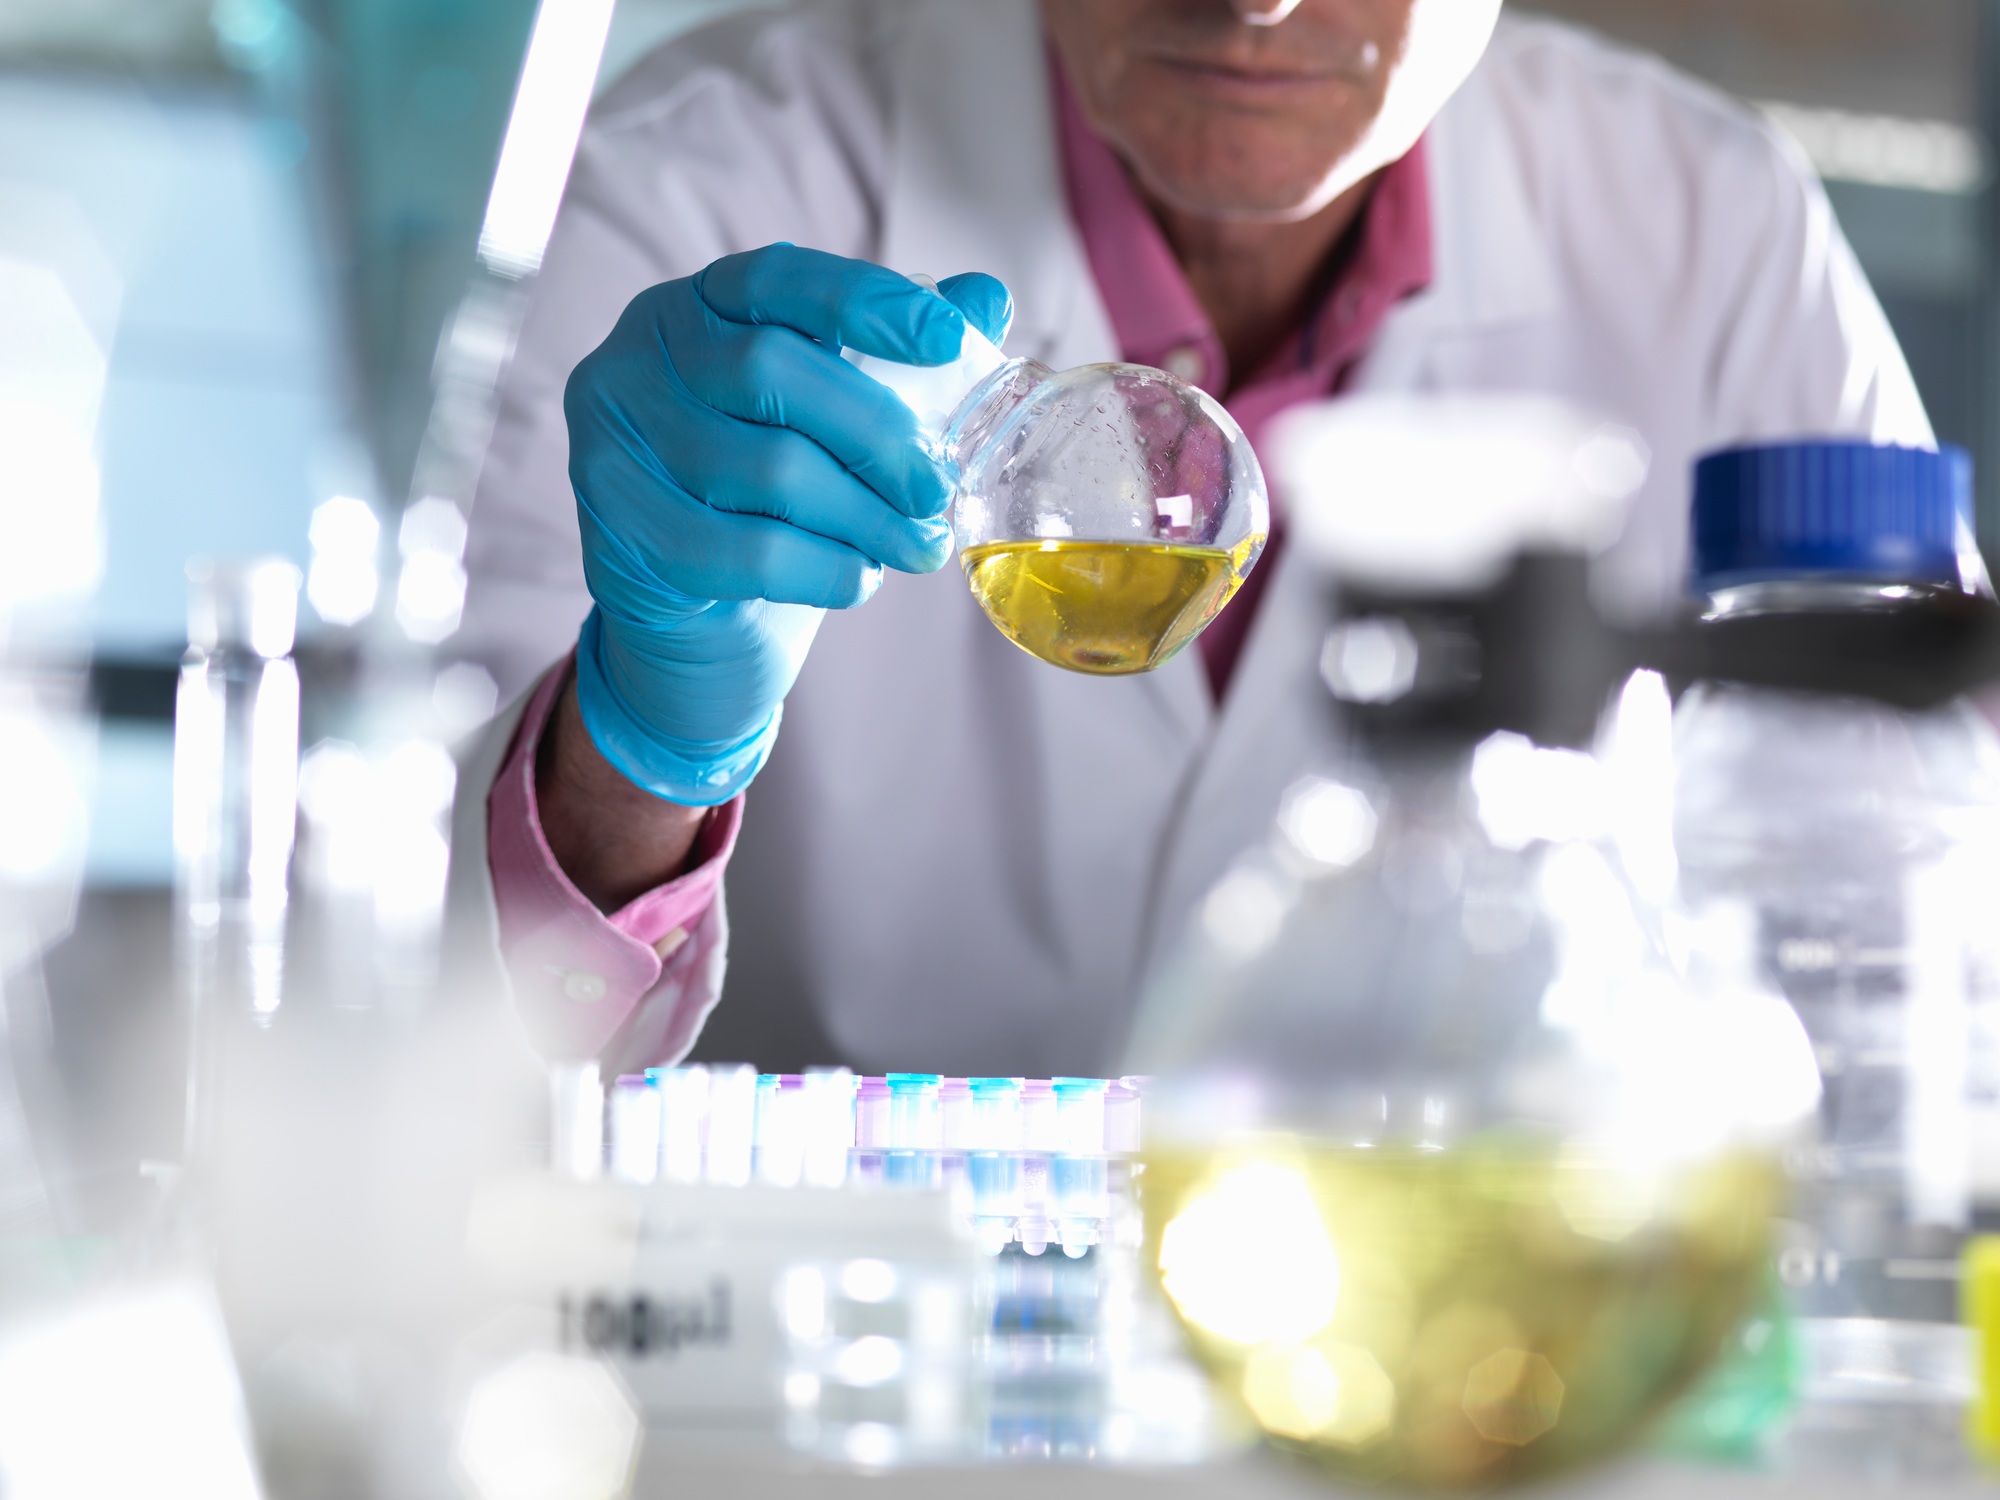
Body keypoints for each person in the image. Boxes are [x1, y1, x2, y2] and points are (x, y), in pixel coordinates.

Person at [446, 0, 1930, 1080]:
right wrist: (635, 752)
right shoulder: (692, 186)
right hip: (834, 1331)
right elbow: (430, 1021)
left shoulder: (1718, 232)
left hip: (1464, 1335)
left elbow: (1915, 951)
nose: (1252, 2)